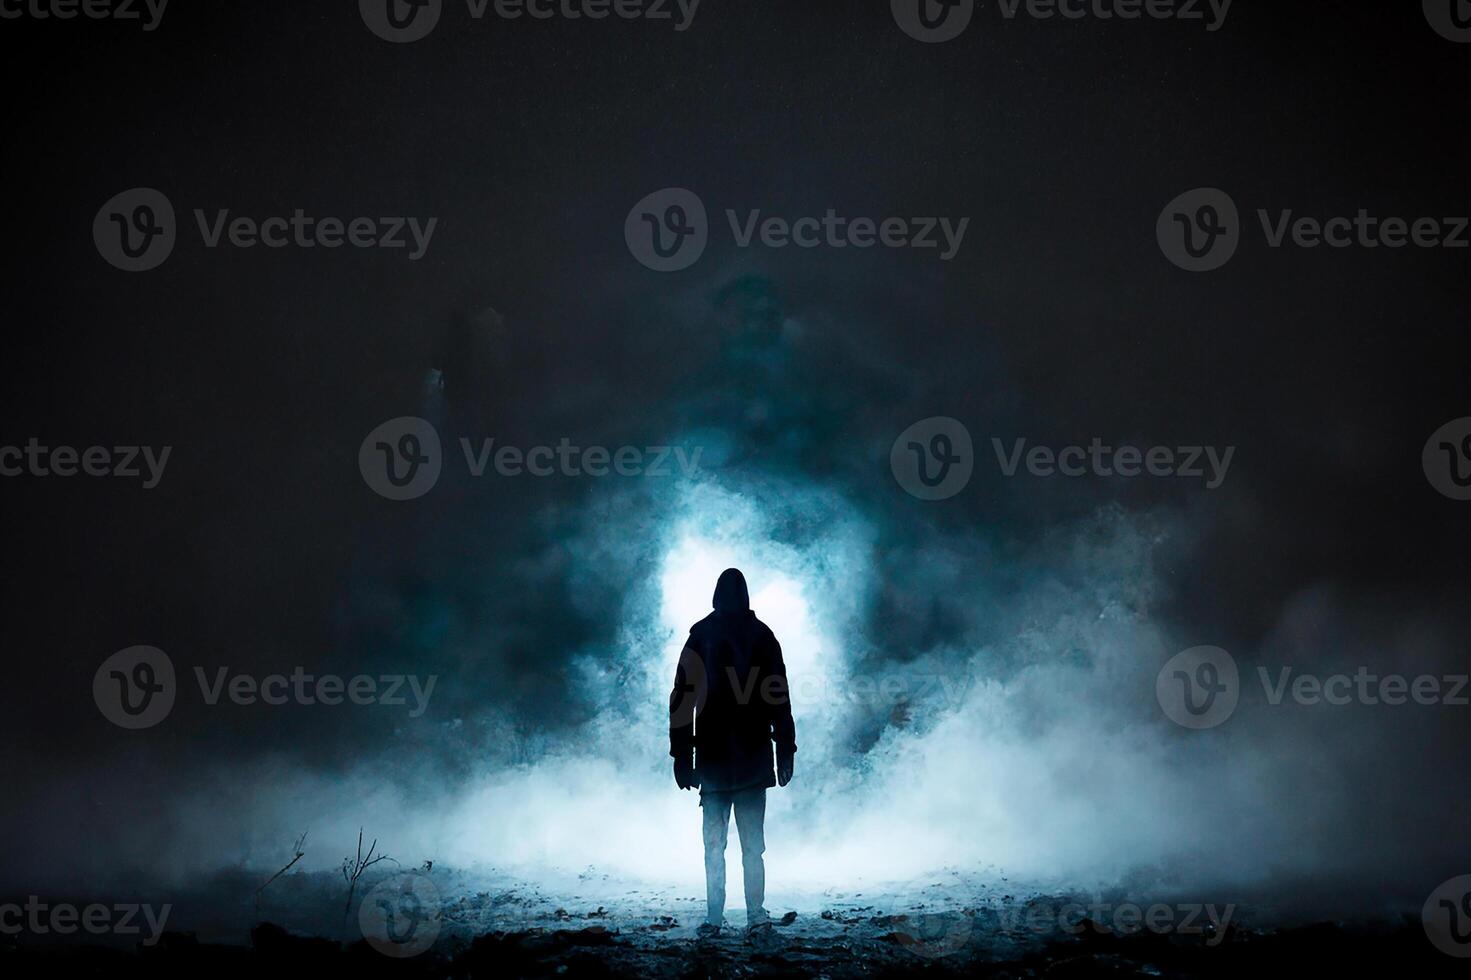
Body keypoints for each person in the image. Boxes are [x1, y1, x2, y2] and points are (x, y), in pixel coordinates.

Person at [669, 568, 796, 936]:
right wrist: (785, 749)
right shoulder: (760, 636)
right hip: (743, 759)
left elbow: (682, 700)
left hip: (718, 758)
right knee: (747, 846)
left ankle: (720, 917)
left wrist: (682, 755)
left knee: (719, 846)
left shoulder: (703, 636)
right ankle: (750, 915)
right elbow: (779, 699)